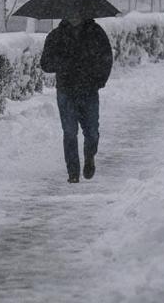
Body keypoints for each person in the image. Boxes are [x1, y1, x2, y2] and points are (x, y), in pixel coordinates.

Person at [40, 18, 113, 183]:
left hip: (89, 90)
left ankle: (89, 157)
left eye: (77, 12)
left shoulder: (95, 33)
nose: (74, 15)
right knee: (70, 132)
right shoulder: (56, 36)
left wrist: (99, 79)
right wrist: (64, 62)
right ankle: (73, 172)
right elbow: (45, 63)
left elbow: (106, 57)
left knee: (92, 133)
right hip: (66, 91)